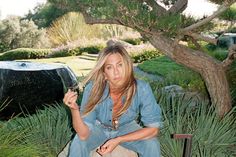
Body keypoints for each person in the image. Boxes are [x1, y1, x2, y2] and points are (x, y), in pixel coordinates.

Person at [63, 43, 162, 157]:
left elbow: (153, 129)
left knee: (151, 144)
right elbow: (83, 135)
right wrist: (74, 109)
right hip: (99, 128)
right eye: (109, 67)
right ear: (104, 73)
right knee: (78, 142)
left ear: (127, 66)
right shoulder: (93, 88)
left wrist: (119, 139)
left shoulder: (141, 88)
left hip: (127, 127)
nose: (116, 71)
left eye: (119, 65)